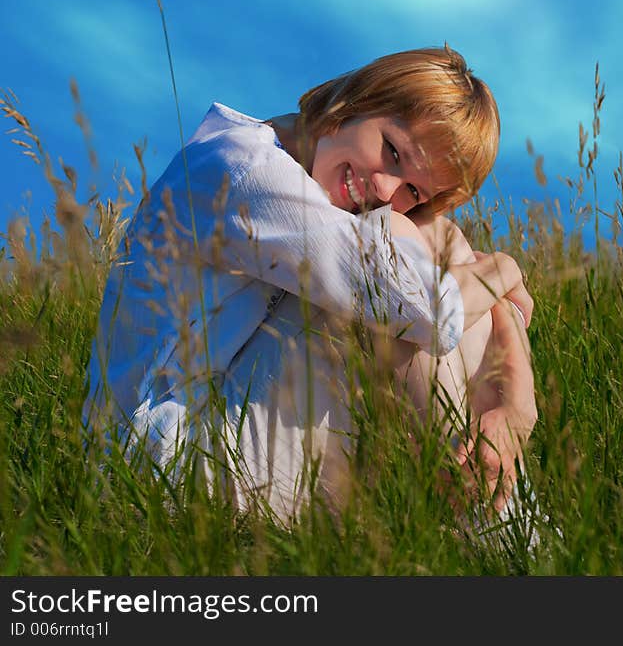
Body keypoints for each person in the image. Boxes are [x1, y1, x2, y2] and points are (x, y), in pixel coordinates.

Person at [84, 46, 537, 524]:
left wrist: (517, 402)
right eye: (393, 151)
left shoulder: (303, 174)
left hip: (224, 435)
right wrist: (506, 268)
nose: (386, 189)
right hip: (162, 465)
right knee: (402, 247)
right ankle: (487, 526)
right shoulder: (244, 168)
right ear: (358, 101)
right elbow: (422, 307)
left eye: (414, 190)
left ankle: (485, 511)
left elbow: (428, 289)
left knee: (433, 237)